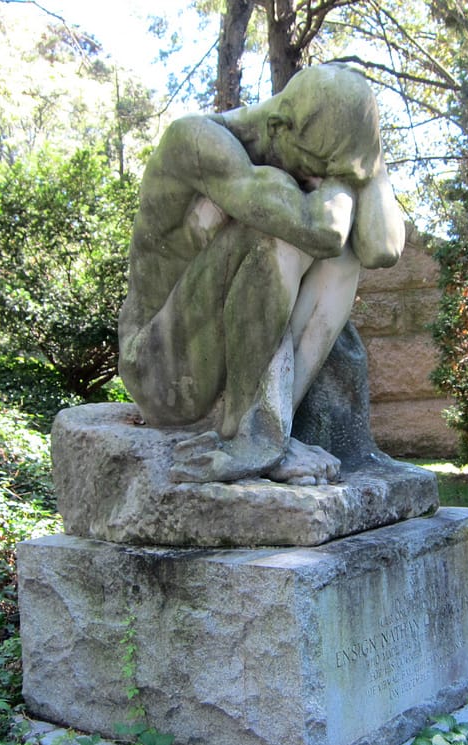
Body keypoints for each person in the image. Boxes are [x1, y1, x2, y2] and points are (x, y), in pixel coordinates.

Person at [118, 64, 405, 485]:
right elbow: (320, 230)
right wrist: (348, 178)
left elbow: (381, 248)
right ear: (279, 126)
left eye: (335, 176)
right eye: (319, 170)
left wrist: (367, 159)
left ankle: (270, 429)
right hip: (159, 369)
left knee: (344, 257)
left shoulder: (297, 150)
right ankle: (252, 435)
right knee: (279, 234)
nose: (323, 183)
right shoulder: (199, 141)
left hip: (207, 360)